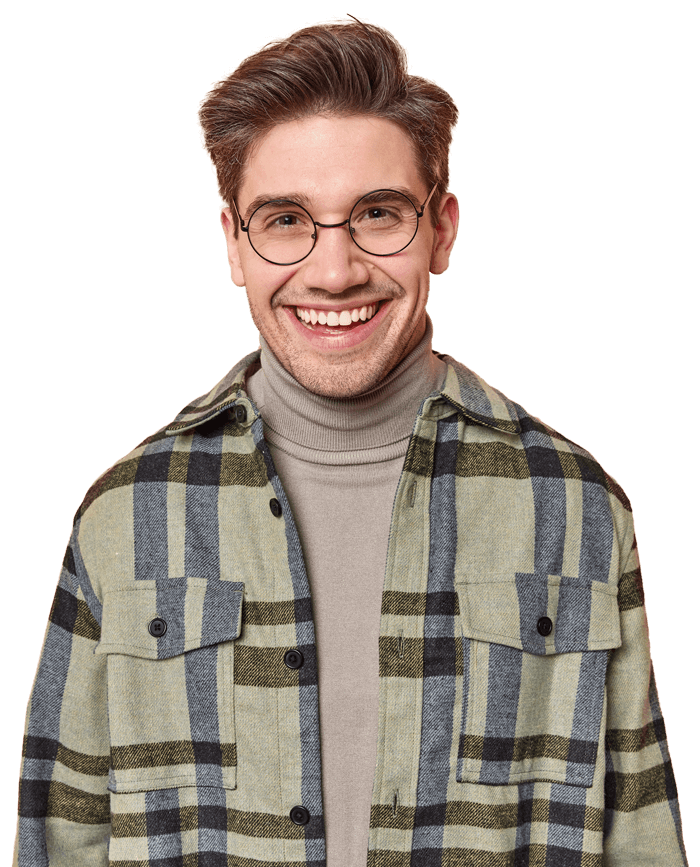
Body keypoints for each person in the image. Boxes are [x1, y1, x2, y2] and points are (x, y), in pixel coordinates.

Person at [15, 17, 687, 867]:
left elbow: (641, 842)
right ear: (233, 244)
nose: (334, 272)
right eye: (285, 219)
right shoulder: (122, 512)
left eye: (377, 213)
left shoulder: (579, 506)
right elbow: (58, 840)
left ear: (442, 229)